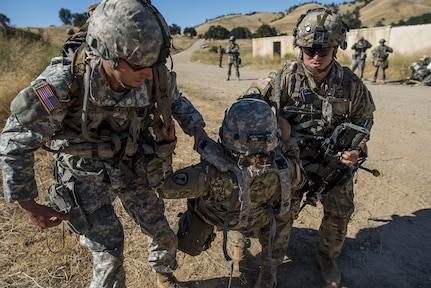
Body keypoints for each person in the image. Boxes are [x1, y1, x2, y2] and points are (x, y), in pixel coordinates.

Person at [0, 1, 208, 288]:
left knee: (161, 231)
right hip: (85, 177)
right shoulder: (63, 84)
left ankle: (163, 273)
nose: (148, 74)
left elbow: (176, 101)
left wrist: (197, 129)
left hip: (132, 166)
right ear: (107, 57)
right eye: (138, 67)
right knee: (110, 254)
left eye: (155, 64)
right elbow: (14, 140)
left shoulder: (151, 72)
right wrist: (26, 202)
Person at [242, 8, 376, 287]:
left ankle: (327, 256)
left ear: (336, 49)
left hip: (333, 164)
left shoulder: (351, 84)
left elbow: (364, 120)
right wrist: (274, 119)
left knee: (341, 209)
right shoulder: (281, 79)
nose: (315, 57)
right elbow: (244, 107)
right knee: (282, 212)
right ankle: (271, 265)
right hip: (292, 163)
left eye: (323, 51)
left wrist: (356, 152)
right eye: (309, 50)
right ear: (299, 47)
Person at [157, 98, 305, 288]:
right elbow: (300, 176)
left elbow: (163, 188)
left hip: (216, 217)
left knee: (187, 215)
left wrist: (165, 148)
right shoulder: (287, 168)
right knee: (284, 214)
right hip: (260, 218)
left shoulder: (209, 175)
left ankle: (164, 278)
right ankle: (267, 275)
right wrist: (289, 141)